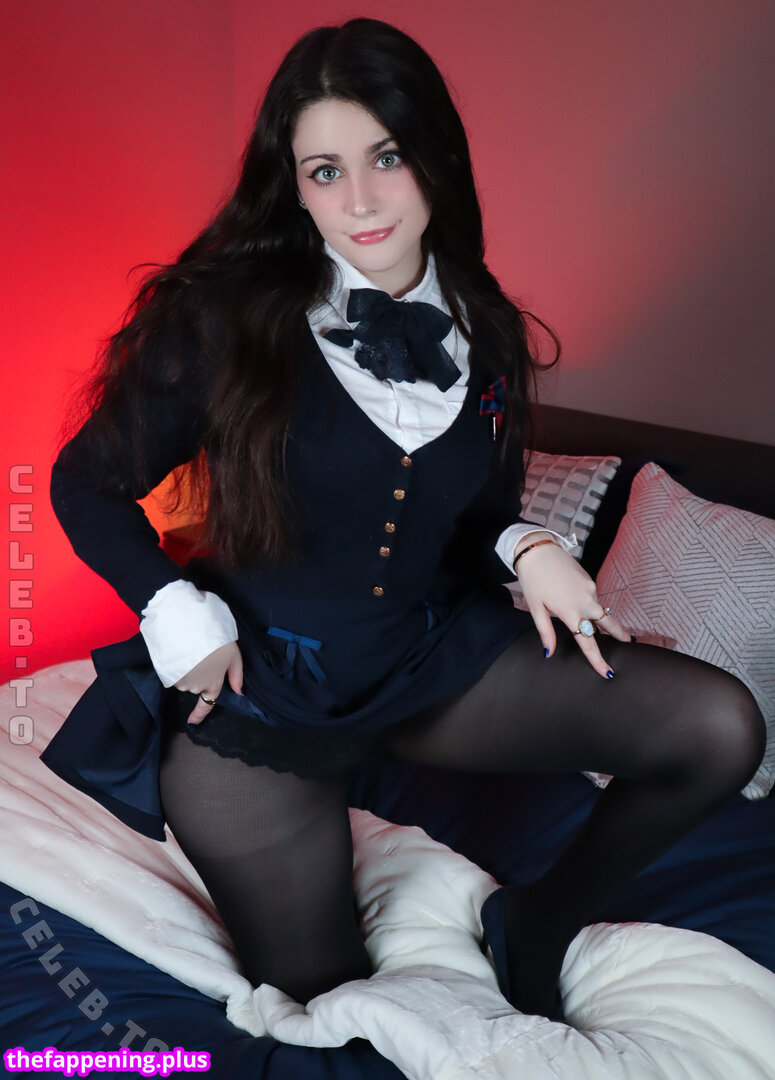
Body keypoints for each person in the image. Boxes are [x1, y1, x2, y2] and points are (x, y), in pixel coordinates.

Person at [43, 17, 766, 1022]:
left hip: (425, 663)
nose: (361, 200)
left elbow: (480, 512)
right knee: (329, 1000)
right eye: (325, 171)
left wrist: (532, 544)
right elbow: (84, 482)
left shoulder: (485, 325)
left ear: (434, 156)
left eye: (385, 157)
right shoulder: (221, 322)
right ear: (294, 186)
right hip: (261, 699)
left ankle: (537, 921)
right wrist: (171, 609)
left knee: (719, 727)